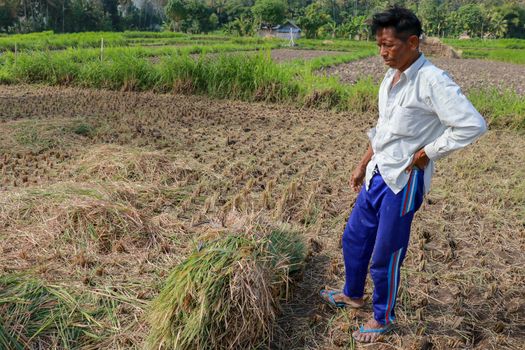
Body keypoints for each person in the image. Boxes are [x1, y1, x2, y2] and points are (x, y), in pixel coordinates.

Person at [319, 6, 487, 343]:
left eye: (389, 45)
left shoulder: (432, 81)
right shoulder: (390, 77)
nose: (382, 53)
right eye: (379, 45)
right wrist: (363, 162)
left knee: (386, 254)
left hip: (404, 180)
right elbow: (385, 128)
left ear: (412, 42)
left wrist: (428, 152)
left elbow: (472, 124)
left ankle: (383, 319)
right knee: (354, 238)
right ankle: (352, 294)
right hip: (379, 173)